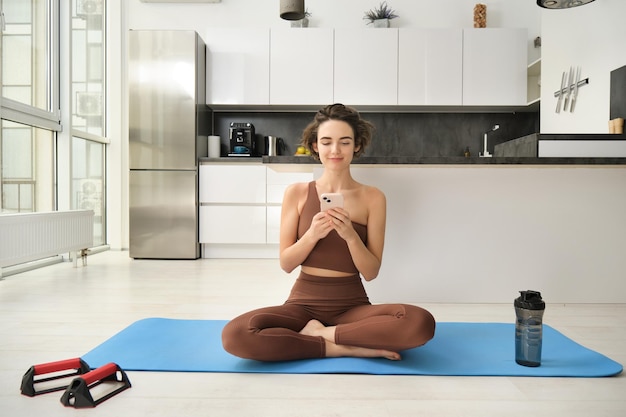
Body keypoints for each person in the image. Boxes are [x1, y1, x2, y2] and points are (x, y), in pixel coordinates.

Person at [221, 103, 435, 362]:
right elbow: (287, 263)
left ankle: (323, 334)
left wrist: (350, 236)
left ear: (357, 145)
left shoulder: (373, 197)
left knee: (419, 322)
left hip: (352, 306)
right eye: (326, 142)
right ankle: (341, 345)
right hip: (301, 305)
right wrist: (312, 234)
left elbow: (371, 272)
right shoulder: (297, 193)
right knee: (235, 334)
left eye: (345, 142)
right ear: (315, 146)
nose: (335, 150)